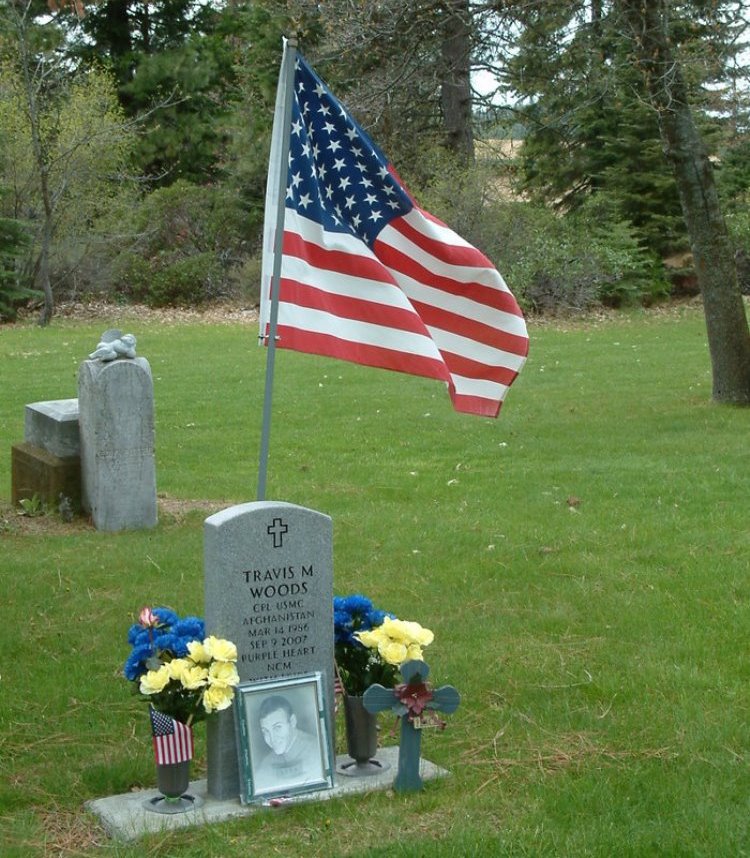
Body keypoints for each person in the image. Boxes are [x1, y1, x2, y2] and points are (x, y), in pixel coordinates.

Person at [253, 694, 322, 792]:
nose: (272, 739)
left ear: (292, 722)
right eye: (265, 731)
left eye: (277, 727)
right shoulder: (266, 762)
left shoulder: (317, 752)